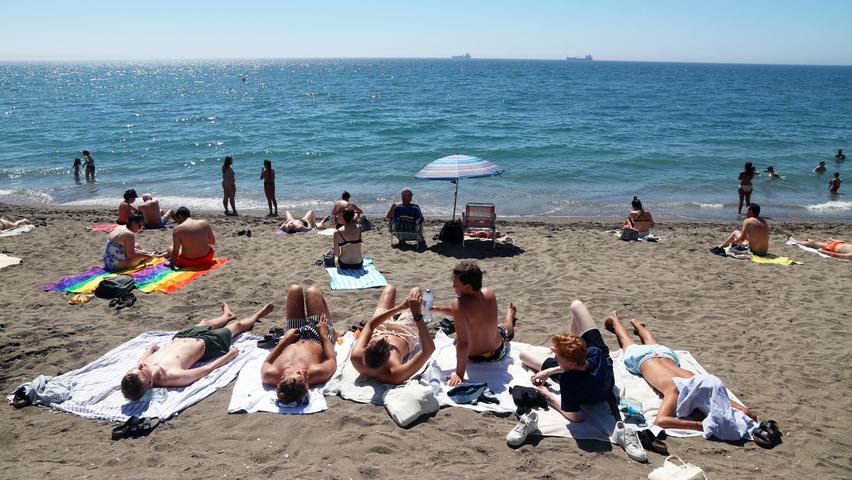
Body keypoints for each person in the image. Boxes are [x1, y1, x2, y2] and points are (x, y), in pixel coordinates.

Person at [604, 312, 758, 433]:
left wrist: (744, 413)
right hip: (648, 358)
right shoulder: (676, 390)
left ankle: (633, 324)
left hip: (661, 355)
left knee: (646, 343)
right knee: (629, 342)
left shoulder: (701, 387)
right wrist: (699, 425)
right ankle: (620, 320)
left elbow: (747, 412)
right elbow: (661, 420)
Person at [121, 303, 273, 401]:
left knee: (206, 322)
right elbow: (206, 369)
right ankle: (257, 315)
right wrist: (229, 355)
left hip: (183, 336)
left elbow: (141, 361)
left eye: (135, 370)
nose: (140, 366)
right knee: (237, 326)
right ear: (151, 383)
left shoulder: (137, 371)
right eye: (141, 371)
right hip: (207, 343)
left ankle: (226, 315)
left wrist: (149, 350)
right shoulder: (171, 376)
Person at [519, 300, 617, 423]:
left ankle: (568, 349)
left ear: (570, 364)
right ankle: (570, 347)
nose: (554, 358)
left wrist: (549, 397)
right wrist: (549, 371)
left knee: (523, 355)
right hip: (602, 383)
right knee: (576, 305)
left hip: (590, 390)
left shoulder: (568, 380)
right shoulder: (595, 353)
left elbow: (576, 417)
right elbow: (581, 364)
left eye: (557, 357)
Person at [432, 261, 517, 386]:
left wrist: (459, 374)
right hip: (497, 352)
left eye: (456, 284)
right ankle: (510, 315)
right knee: (503, 328)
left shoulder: (458, 304)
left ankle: (510, 316)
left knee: (457, 340)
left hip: (473, 357)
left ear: (467, 287)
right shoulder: (489, 293)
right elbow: (468, 313)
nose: (452, 286)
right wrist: (439, 309)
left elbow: (463, 342)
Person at [261, 285, 337, 405]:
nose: (304, 372)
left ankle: (332, 328)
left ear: (282, 378)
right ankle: (333, 331)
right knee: (312, 291)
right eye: (305, 377)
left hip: (292, 337)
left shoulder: (269, 375)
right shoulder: (316, 373)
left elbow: (267, 362)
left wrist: (285, 339)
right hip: (317, 337)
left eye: (299, 373)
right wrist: (324, 334)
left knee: (294, 290)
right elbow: (331, 359)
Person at [350, 285, 436, 384]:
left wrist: (400, 308)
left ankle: (401, 310)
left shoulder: (357, 357)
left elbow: (370, 325)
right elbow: (429, 349)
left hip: (380, 328)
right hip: (405, 332)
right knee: (415, 292)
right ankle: (407, 311)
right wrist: (417, 315)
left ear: (365, 350)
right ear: (387, 359)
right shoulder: (395, 374)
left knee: (390, 289)